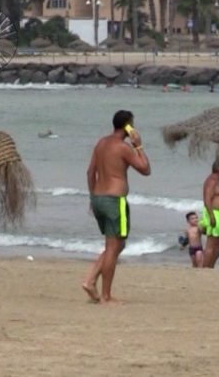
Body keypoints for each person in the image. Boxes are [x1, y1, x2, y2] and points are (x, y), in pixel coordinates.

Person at [81, 110, 151, 304]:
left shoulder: (101, 143)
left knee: (116, 245)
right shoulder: (123, 147)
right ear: (128, 126)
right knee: (113, 247)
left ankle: (91, 279)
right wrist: (139, 146)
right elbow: (146, 169)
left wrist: (92, 196)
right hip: (114, 200)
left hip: (98, 198)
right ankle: (105, 295)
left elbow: (90, 172)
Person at [200, 162, 219, 268]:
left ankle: (210, 264)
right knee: (211, 243)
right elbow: (207, 199)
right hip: (215, 214)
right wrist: (211, 216)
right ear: (218, 169)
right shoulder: (212, 181)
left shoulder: (216, 181)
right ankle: (206, 267)